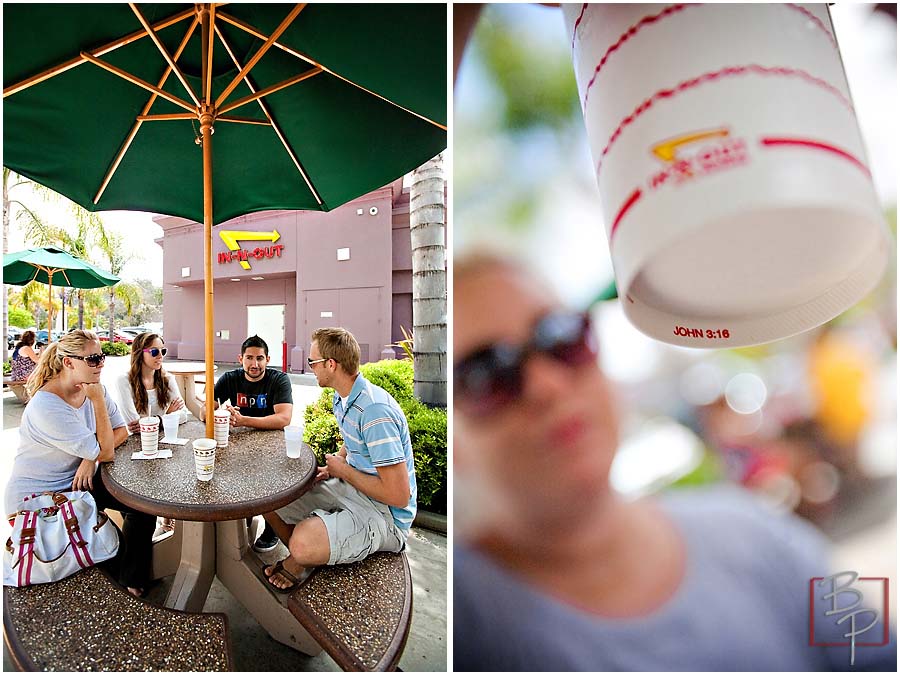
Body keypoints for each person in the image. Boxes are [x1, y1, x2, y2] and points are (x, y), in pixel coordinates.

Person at [452, 252, 895, 671]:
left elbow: (875, 653)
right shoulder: (466, 621)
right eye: (486, 374)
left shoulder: (750, 528)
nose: (547, 385)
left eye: (560, 336)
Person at [262, 327, 417, 592]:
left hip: (386, 516)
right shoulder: (343, 397)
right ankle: (308, 553)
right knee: (268, 497)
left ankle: (301, 555)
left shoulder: (375, 411)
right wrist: (338, 462)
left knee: (302, 541)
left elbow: (398, 495)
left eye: (313, 362)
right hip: (353, 491)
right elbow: (355, 438)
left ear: (331, 364)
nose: (310, 367)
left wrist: (343, 470)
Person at [4, 330, 156, 597]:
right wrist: (97, 421)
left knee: (142, 506)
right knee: (104, 554)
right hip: (40, 498)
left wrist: (90, 455)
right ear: (68, 362)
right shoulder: (47, 406)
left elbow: (121, 431)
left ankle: (132, 583)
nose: (100, 364)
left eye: (102, 357)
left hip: (78, 482)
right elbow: (107, 450)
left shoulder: (94, 387)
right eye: (93, 359)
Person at [202, 335, 293, 552]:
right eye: (249, 358)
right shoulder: (229, 379)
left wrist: (244, 420)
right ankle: (242, 518)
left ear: (268, 359)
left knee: (271, 487)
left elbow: (284, 419)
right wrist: (221, 412)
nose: (255, 364)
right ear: (240, 358)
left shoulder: (279, 379)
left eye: (260, 358)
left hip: (271, 443)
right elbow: (205, 411)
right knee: (228, 479)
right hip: (237, 444)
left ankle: (272, 528)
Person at [113, 332, 186, 540]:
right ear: (139, 353)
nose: (160, 356)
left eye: (163, 351)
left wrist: (159, 420)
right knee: (144, 490)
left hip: (164, 442)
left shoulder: (167, 378)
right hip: (134, 447)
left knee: (177, 471)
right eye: (154, 351)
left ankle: (167, 518)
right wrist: (168, 415)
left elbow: (184, 415)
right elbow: (133, 423)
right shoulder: (124, 380)